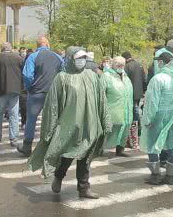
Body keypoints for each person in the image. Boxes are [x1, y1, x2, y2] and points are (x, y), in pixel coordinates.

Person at [27, 47, 111, 199]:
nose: (82, 61)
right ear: (71, 58)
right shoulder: (62, 77)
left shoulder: (92, 76)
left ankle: (84, 188)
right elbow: (53, 105)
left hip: (89, 124)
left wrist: (104, 121)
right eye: (79, 58)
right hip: (69, 126)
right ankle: (58, 177)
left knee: (85, 158)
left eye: (84, 57)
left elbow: (101, 100)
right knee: (67, 154)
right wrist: (51, 128)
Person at [141, 50, 173, 185]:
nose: (158, 63)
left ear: (162, 62)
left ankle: (155, 175)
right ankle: (171, 175)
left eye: (159, 61)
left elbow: (152, 101)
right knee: (171, 144)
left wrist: (147, 119)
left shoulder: (158, 79)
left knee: (153, 143)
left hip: (159, 116)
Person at [17, 36, 64, 156]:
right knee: (53, 120)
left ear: (37, 46)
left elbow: (27, 76)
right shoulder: (58, 57)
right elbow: (63, 74)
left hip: (36, 93)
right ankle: (52, 147)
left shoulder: (33, 56)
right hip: (53, 93)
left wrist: (29, 88)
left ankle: (27, 146)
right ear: (48, 45)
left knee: (31, 120)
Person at [0, 43, 23, 147]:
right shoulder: (18, 58)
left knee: (0, 113)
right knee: (14, 114)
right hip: (15, 90)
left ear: (2, 49)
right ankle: (14, 138)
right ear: (11, 49)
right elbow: (23, 73)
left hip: (1, 90)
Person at [100, 56, 133, 156]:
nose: (121, 67)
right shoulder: (106, 76)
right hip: (112, 108)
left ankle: (120, 149)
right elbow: (101, 94)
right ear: (113, 65)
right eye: (118, 65)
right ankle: (101, 149)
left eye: (122, 65)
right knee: (109, 129)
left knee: (125, 127)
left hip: (126, 108)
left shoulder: (125, 76)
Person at [122, 51, 146, 149]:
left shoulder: (126, 67)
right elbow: (144, 79)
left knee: (131, 115)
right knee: (136, 114)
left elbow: (123, 81)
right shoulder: (139, 65)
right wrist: (144, 90)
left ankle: (131, 140)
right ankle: (136, 136)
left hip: (130, 94)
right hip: (139, 94)